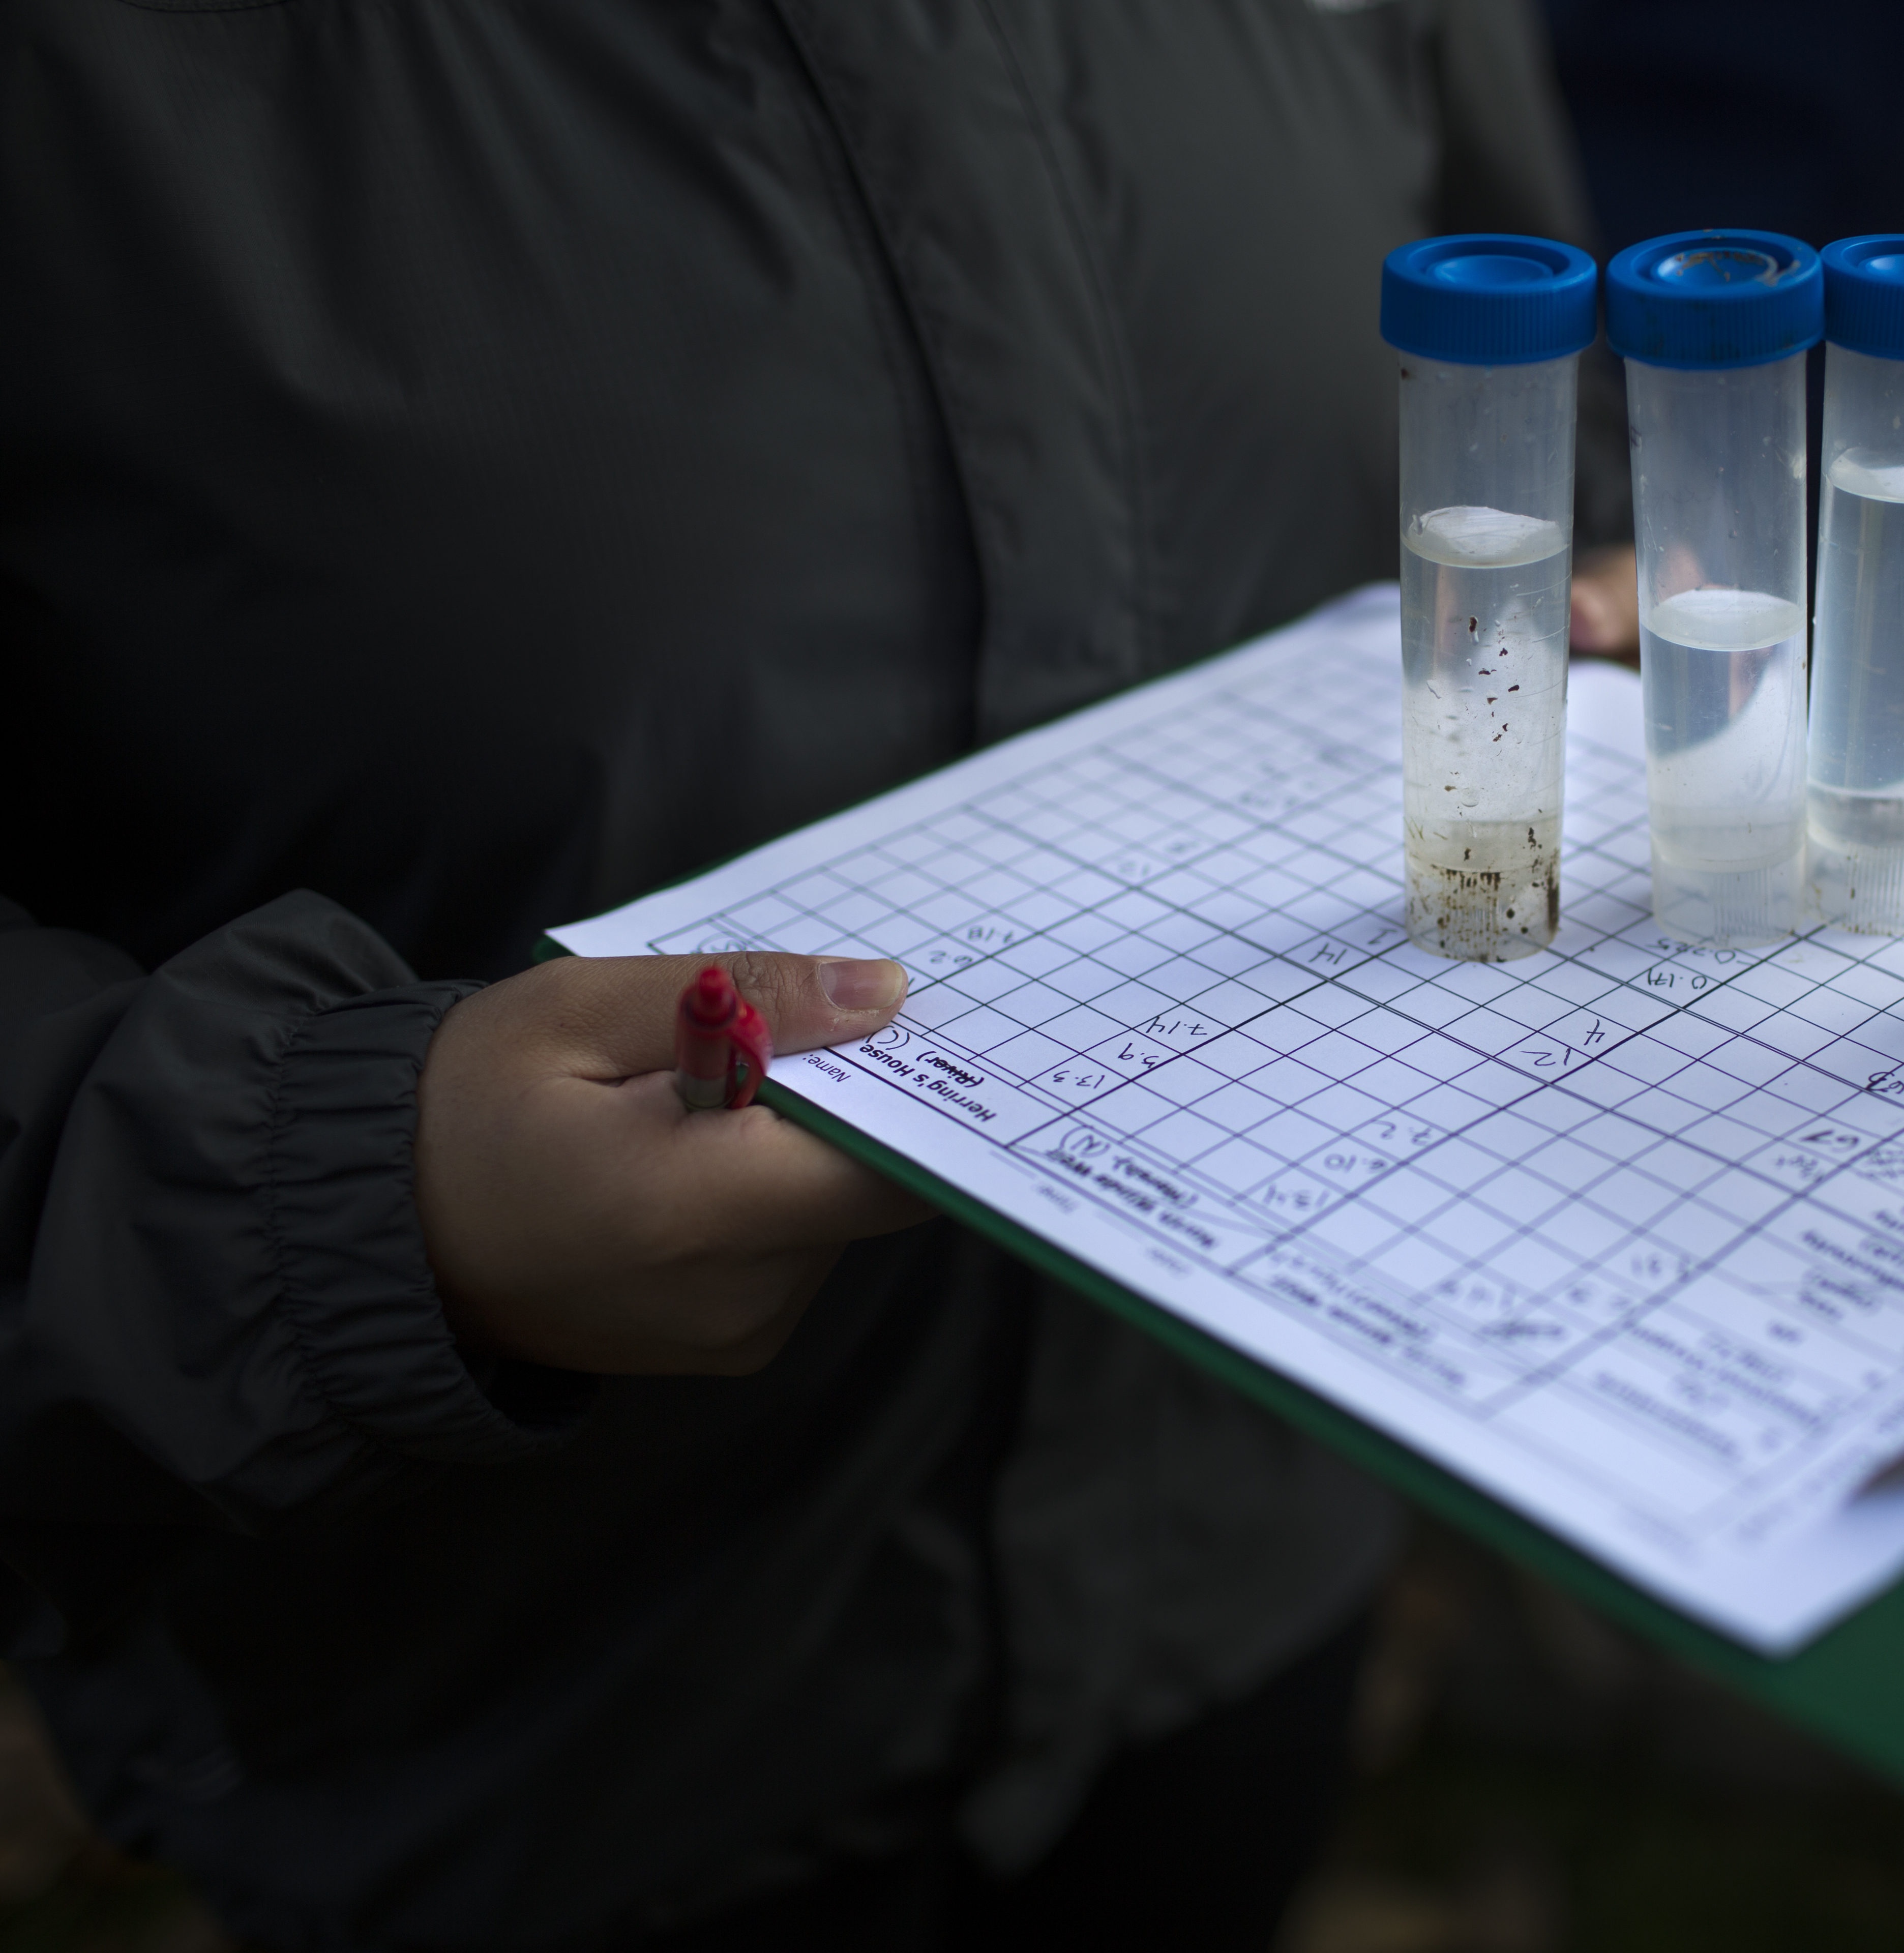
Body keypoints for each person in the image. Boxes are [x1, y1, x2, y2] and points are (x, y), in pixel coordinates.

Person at [0, 3, 1623, 1946]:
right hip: (527, 1743)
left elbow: (1524, 375)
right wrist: (334, 1195)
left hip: (1228, 1591)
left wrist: (1617, 583)